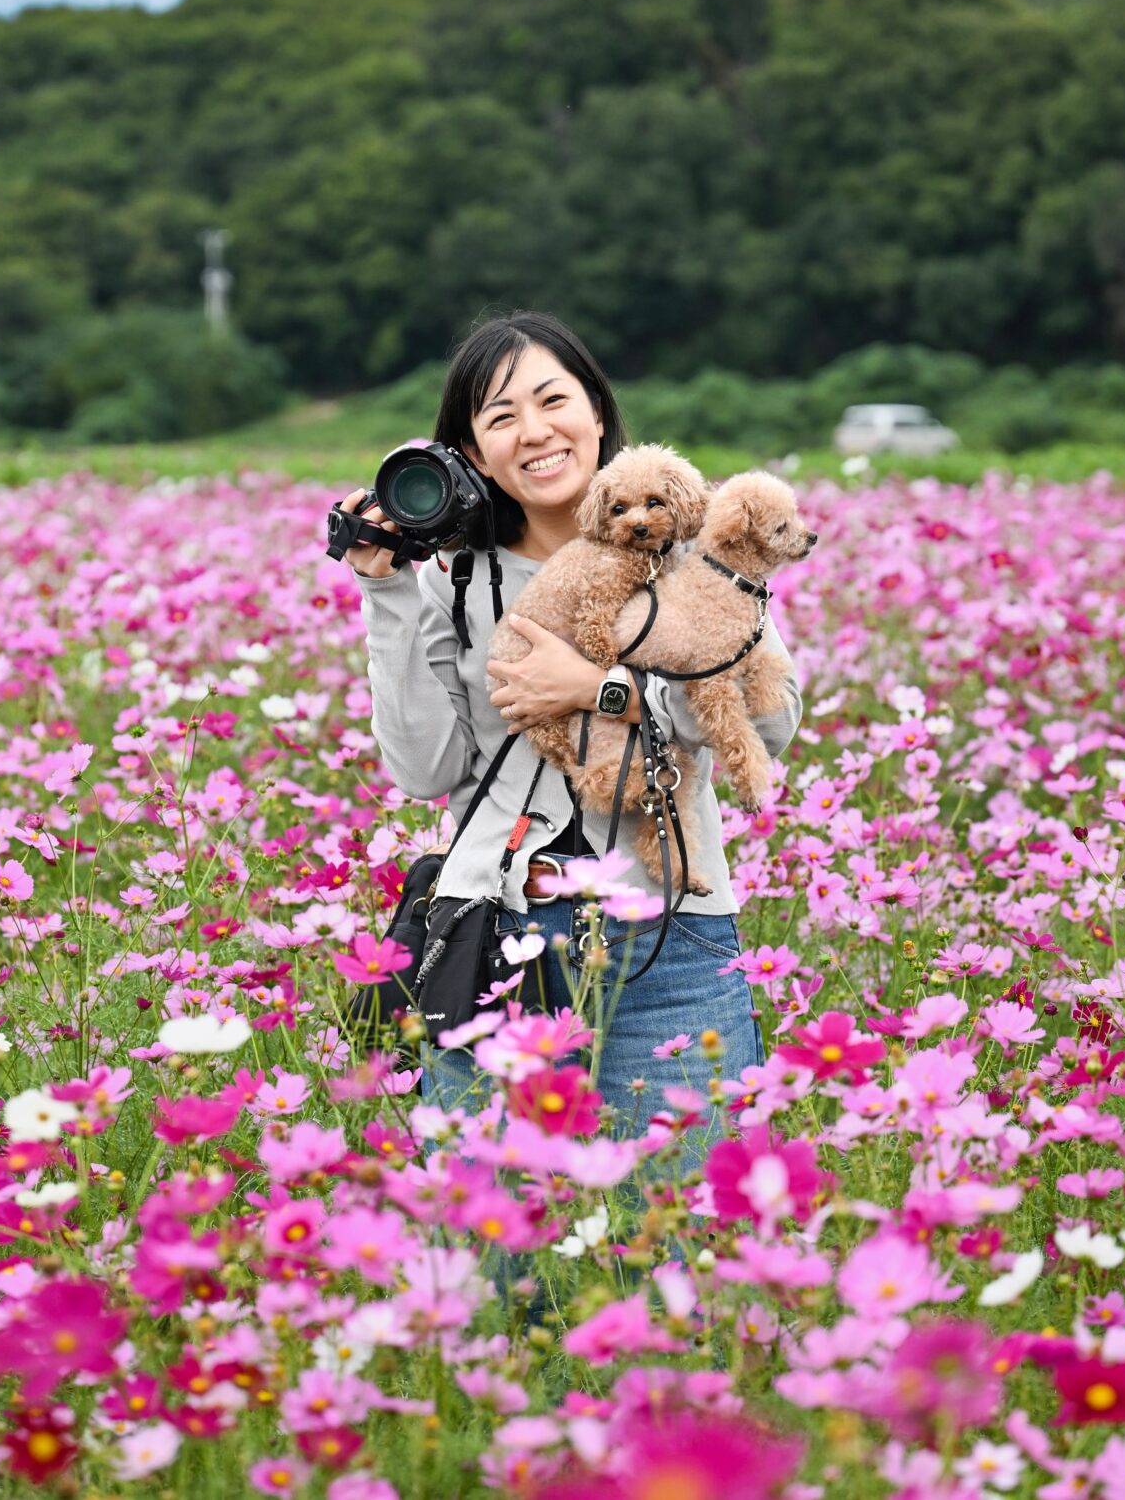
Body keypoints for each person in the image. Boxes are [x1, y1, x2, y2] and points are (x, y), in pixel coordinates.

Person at [340, 310, 801, 1172]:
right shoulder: (454, 581)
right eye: (501, 415)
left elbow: (773, 724)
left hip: (672, 936)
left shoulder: (698, 556)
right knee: (491, 1237)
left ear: (596, 410)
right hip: (497, 933)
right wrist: (387, 594)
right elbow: (423, 768)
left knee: (688, 1226)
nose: (535, 430)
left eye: (553, 400)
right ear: (474, 453)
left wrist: (602, 690)